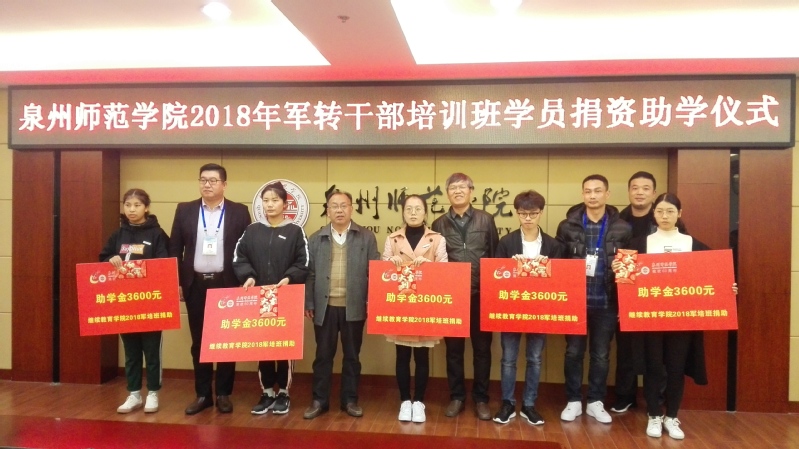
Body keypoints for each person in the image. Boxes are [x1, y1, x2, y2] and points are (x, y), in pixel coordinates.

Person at [622, 193, 737, 440]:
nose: (664, 216)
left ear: (679, 214)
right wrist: (619, 273)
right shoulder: (638, 244)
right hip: (650, 319)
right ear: (654, 214)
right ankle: (654, 414)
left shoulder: (694, 245)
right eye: (660, 211)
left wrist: (728, 288)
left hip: (682, 320)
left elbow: (716, 277)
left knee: (676, 368)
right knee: (653, 368)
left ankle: (672, 416)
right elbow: (624, 283)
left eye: (670, 211)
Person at [168, 163, 251, 415]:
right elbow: (175, 248)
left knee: (226, 340)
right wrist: (177, 282)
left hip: (227, 283)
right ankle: (203, 394)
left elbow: (246, 250)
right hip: (195, 284)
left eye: (213, 180)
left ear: (224, 185)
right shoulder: (184, 210)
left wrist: (245, 278)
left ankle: (223, 394)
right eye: (203, 180)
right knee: (199, 342)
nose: (207, 184)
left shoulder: (239, 211)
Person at [556, 174, 631, 424]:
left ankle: (596, 401)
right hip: (575, 302)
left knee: (601, 355)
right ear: (582, 194)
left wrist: (625, 302)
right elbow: (559, 264)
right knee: (573, 353)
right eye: (588, 191)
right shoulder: (567, 226)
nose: (592, 196)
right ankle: (573, 400)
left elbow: (630, 268)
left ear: (607, 194)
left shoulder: (622, 228)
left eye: (598, 191)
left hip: (607, 302)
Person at [233, 181, 309, 415]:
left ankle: (284, 392)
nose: (270, 204)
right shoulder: (252, 230)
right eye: (266, 201)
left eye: (275, 200)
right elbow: (239, 257)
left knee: (285, 346)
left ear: (285, 204)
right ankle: (267, 391)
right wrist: (248, 276)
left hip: (286, 297)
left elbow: (304, 262)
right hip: (259, 298)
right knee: (263, 346)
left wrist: (289, 278)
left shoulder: (295, 231)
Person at [303, 190, 380, 419]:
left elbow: (374, 272)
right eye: (334, 206)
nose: (339, 210)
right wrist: (309, 302)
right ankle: (319, 400)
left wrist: (372, 302)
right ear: (327, 211)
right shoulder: (316, 238)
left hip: (354, 306)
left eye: (343, 205)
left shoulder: (366, 237)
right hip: (324, 307)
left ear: (351, 209)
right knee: (323, 356)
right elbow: (310, 274)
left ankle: (350, 400)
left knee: (352, 357)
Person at [493, 191, 564, 426]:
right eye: (523, 213)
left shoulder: (553, 245)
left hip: (540, 309)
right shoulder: (506, 242)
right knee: (508, 359)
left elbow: (559, 280)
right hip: (511, 308)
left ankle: (529, 404)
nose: (528, 218)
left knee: (534, 359)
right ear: (517, 213)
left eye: (533, 213)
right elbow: (497, 277)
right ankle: (507, 403)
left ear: (541, 213)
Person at [431, 172, 498, 421]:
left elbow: (494, 256)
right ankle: (457, 396)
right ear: (447, 193)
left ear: (471, 191)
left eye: (462, 187)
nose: (457, 191)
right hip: (453, 297)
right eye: (453, 188)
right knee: (454, 351)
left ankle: (481, 398)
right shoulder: (439, 223)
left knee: (482, 350)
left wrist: (491, 292)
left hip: (481, 294)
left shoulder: (486, 219)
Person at [100, 189, 169, 414]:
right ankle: (134, 394)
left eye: (137, 205)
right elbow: (103, 259)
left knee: (151, 351)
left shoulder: (157, 234)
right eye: (128, 205)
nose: (131, 209)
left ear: (146, 208)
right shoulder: (118, 234)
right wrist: (110, 259)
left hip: (150, 303)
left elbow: (165, 265)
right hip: (125, 303)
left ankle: (153, 393)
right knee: (131, 351)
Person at [381, 194, 447, 423]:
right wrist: (390, 264)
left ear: (425, 213)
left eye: (418, 209)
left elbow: (445, 271)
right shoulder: (393, 239)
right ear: (403, 212)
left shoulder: (437, 239)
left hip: (425, 306)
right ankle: (404, 401)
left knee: (422, 356)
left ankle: (418, 401)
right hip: (401, 305)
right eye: (409, 208)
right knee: (401, 354)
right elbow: (382, 272)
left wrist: (430, 266)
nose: (413, 213)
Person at [611, 171, 657, 413]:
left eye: (645, 188)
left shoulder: (662, 219)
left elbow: (690, 259)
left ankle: (655, 399)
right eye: (635, 188)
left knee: (655, 350)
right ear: (628, 191)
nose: (640, 192)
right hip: (626, 292)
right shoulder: (618, 221)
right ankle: (625, 396)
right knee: (626, 349)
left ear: (654, 193)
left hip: (658, 294)